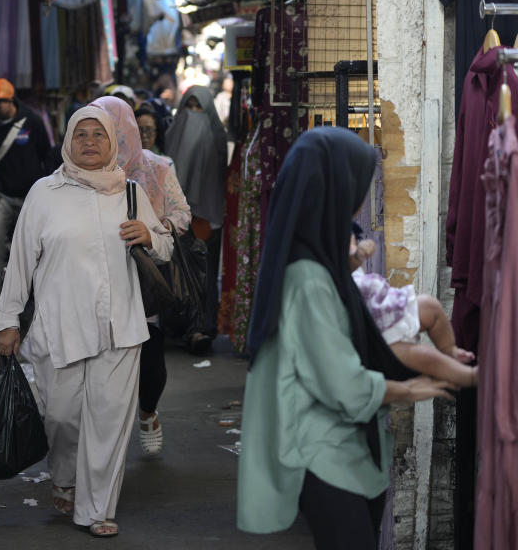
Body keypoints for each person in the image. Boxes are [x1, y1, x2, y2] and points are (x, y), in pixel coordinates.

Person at [237, 127, 455, 549]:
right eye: (357, 186)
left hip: (340, 447)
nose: (360, 196)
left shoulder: (321, 254)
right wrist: (409, 389)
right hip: (322, 451)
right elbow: (342, 383)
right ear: (334, 189)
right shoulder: (308, 278)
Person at [0, 106, 173, 538]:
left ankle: (97, 510)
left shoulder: (129, 192)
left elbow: (164, 248)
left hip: (121, 326)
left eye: (99, 135)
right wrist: (7, 321)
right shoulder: (43, 193)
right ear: (68, 141)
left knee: (109, 422)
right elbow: (20, 261)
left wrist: (150, 235)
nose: (90, 142)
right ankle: (65, 474)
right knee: (62, 417)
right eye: (81, 134)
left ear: (113, 142)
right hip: (61, 325)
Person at [91, 96, 190, 456]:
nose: (103, 137)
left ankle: (147, 412)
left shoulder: (158, 168)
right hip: (97, 280)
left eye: (111, 129)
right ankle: (105, 442)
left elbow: (182, 213)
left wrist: (153, 230)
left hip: (146, 277)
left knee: (149, 359)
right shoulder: (82, 173)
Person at [350, 229, 477, 387]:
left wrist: (358, 251)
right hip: (369, 326)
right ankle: (471, 376)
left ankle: (450, 349)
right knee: (424, 357)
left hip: (383, 304)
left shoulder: (341, 225)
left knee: (430, 306)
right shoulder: (320, 248)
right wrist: (356, 255)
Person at [0, 78, 52, 311]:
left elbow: (47, 158)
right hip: (0, 194)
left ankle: (38, 297)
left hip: (30, 197)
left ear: (10, 100)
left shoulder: (34, 122)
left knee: (35, 247)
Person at [165, 86, 228, 353]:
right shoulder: (172, 133)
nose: (192, 114)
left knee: (205, 275)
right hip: (175, 219)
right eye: (188, 108)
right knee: (177, 275)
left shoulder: (217, 138)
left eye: (199, 108)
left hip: (207, 220)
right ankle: (182, 327)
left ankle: (203, 328)